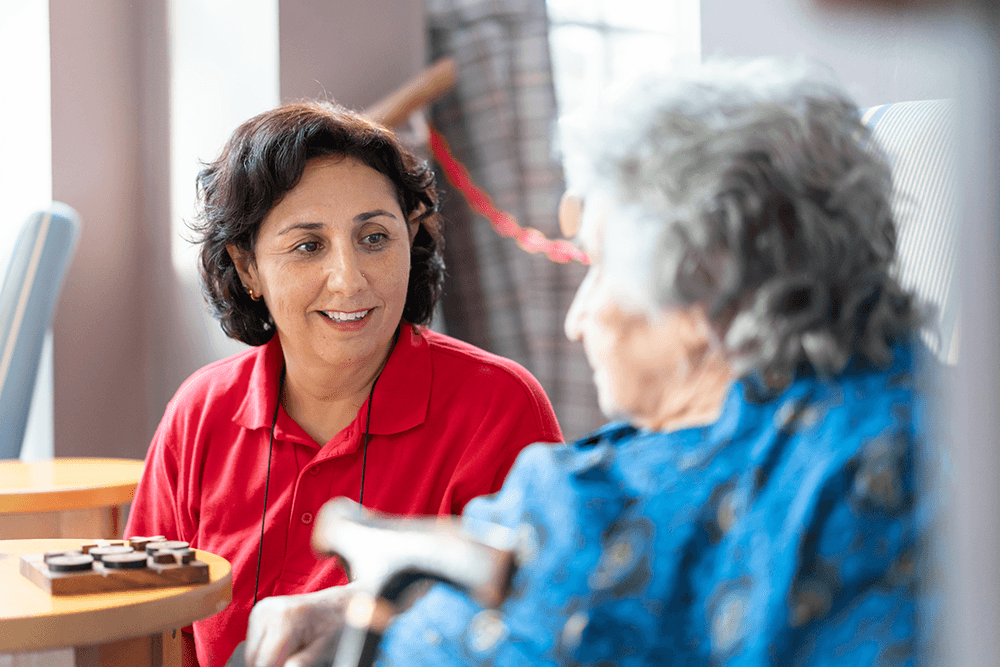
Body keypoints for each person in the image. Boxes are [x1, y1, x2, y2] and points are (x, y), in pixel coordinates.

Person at [241, 58, 932, 666]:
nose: (576, 322)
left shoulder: (606, 520)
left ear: (701, 289)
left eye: (598, 268)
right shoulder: (925, 408)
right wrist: (364, 600)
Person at [125, 101, 563, 667]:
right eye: (309, 246)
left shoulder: (498, 405)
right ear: (248, 265)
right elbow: (150, 628)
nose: (349, 279)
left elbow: (535, 627)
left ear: (410, 238)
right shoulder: (200, 412)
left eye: (375, 238)